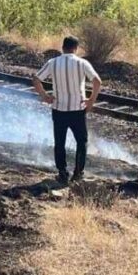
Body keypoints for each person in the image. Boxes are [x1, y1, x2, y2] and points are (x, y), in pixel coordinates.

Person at [32, 36, 102, 184]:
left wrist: (45, 96)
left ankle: (62, 172)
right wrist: (91, 101)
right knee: (81, 142)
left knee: (59, 142)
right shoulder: (82, 63)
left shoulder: (53, 63)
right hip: (78, 110)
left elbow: (36, 79)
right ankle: (78, 173)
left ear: (62, 47)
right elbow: (97, 81)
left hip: (59, 109)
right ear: (76, 49)